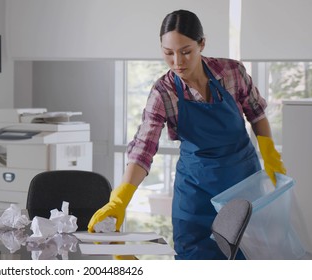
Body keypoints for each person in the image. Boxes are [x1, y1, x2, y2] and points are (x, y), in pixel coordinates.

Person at [88, 9, 287, 260]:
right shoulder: (164, 92)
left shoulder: (232, 73)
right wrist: (121, 198)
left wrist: (269, 151)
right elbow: (143, 148)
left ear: (201, 44)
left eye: (186, 51)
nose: (177, 62)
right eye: (168, 53)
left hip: (241, 188)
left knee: (244, 258)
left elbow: (256, 113)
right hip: (195, 193)